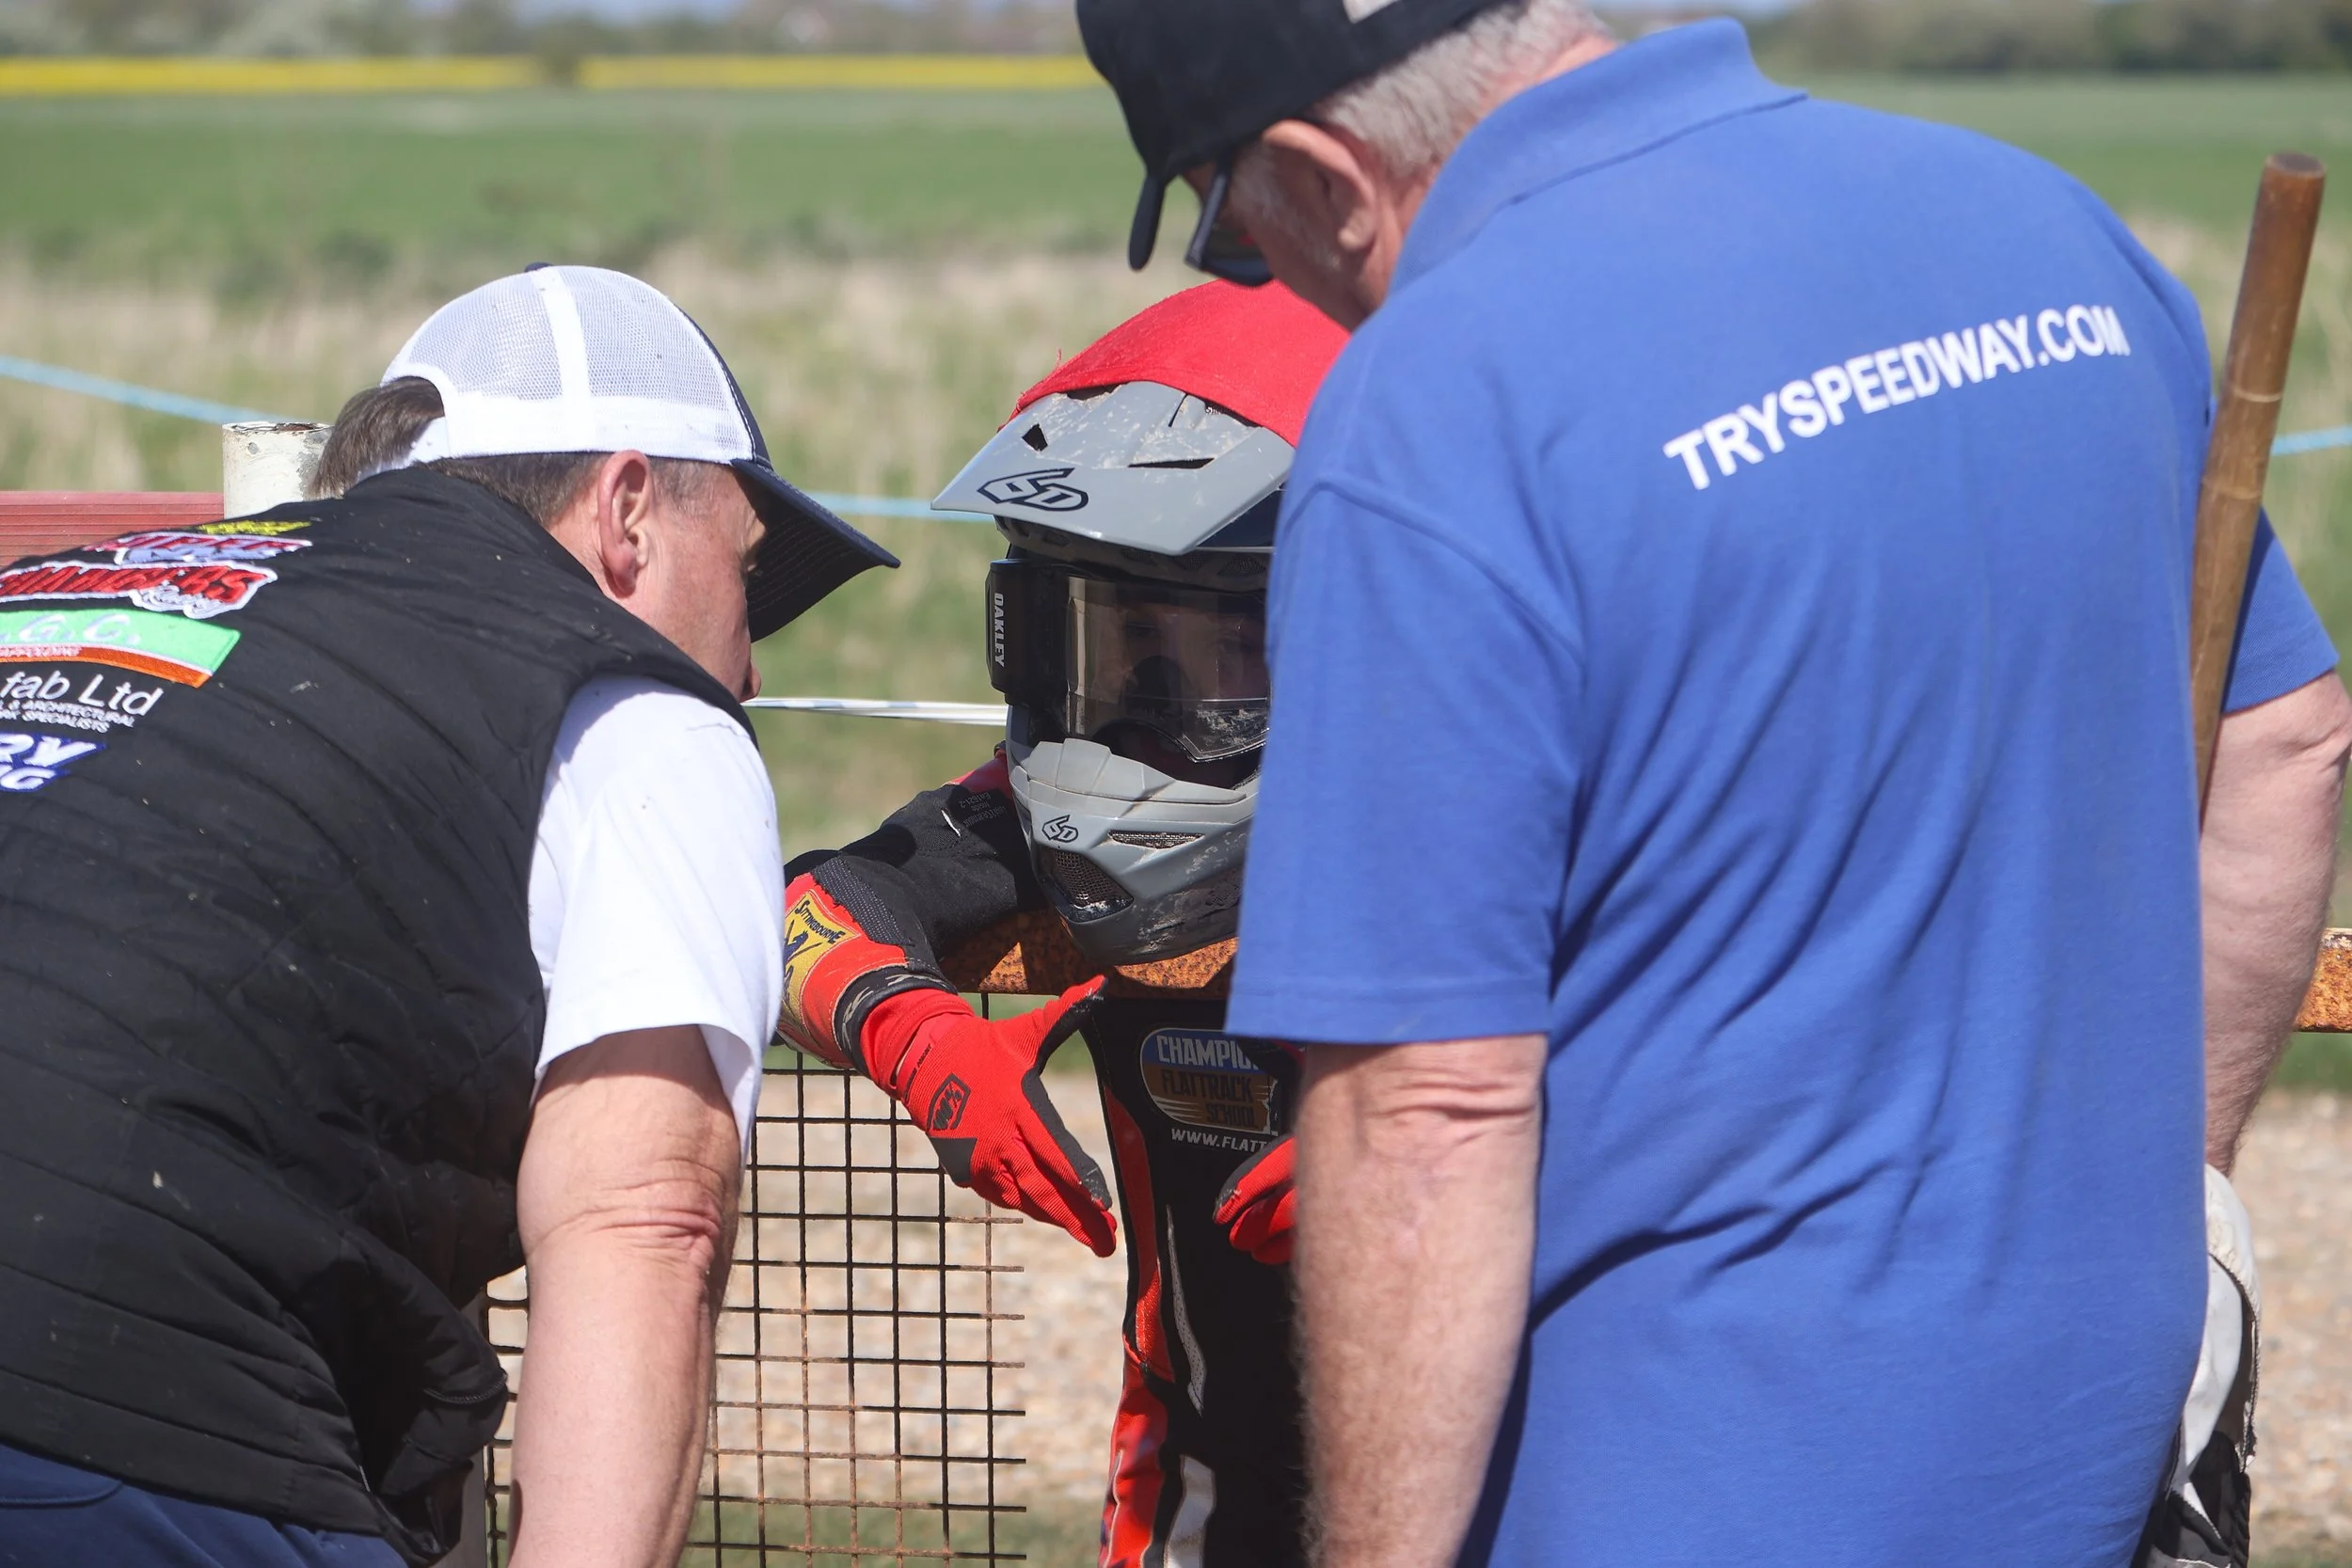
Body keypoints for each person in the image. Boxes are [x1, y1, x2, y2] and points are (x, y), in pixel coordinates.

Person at [1075, 4, 2352, 1568]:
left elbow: (1429, 1105)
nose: (1263, 276)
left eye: (1231, 229)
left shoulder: (1439, 404)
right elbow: (2289, 743)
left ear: (1321, 174)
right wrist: (2172, 1200)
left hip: (1685, 1474)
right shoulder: (2045, 225)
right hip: (2085, 1437)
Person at [0, 264, 895, 1568]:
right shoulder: (640, 711)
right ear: (627, 511)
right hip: (128, 1424)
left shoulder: (57, 595)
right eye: (750, 573)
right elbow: (646, 1217)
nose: (751, 668)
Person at [774, 278, 1346, 1568]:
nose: (1134, 705)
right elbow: (810, 905)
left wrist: (1446, 1137)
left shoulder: (1511, 827)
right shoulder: (1034, 811)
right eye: (1093, 645)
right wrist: (917, 1038)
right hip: (1211, 1488)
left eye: (1197, 657)